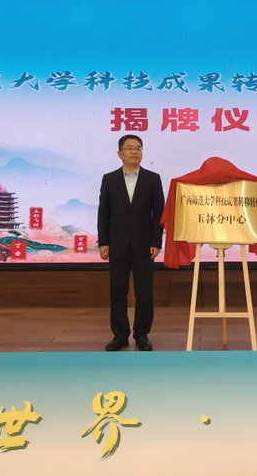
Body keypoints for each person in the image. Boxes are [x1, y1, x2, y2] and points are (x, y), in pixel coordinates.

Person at [97, 135, 165, 352]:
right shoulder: (109, 179)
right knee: (117, 291)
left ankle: (142, 334)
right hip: (117, 244)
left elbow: (159, 214)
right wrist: (103, 241)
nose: (134, 152)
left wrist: (156, 241)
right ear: (120, 153)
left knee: (144, 291)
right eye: (129, 148)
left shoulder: (153, 179)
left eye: (138, 148)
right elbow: (104, 213)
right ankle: (120, 335)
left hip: (145, 245)